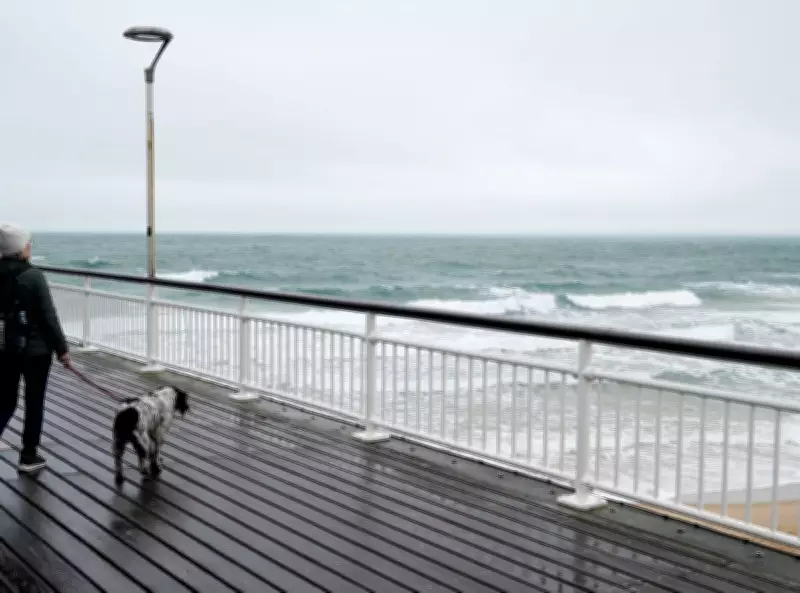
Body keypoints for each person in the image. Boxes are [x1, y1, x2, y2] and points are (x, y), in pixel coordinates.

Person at [0, 223, 69, 472]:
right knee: (34, 401)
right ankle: (28, 456)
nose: (30, 246)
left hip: (6, 349)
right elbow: (48, 317)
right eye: (28, 243)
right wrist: (62, 349)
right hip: (36, 352)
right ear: (21, 248)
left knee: (5, 401)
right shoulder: (33, 276)